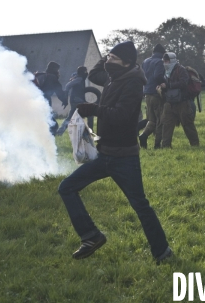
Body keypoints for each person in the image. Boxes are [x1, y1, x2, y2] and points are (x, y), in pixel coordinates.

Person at [57, 41, 173, 263]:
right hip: (104, 155)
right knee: (67, 188)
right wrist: (110, 53)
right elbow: (95, 72)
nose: (108, 62)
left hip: (124, 158)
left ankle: (163, 252)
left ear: (127, 63)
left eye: (112, 59)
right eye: (108, 57)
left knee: (140, 205)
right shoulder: (114, 77)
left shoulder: (132, 84)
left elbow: (121, 115)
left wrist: (94, 109)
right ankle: (91, 236)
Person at [158, 52, 200, 148]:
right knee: (167, 125)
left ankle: (195, 145)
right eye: (164, 61)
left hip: (183, 102)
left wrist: (168, 85)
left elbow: (183, 83)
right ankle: (166, 146)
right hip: (169, 103)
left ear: (172, 60)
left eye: (167, 61)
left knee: (188, 124)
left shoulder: (181, 70)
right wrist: (161, 88)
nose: (165, 63)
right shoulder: (165, 72)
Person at [139, 44, 166, 149]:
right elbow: (158, 76)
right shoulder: (160, 61)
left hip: (147, 93)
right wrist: (165, 84)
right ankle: (157, 144)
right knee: (160, 120)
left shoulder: (145, 61)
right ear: (163, 53)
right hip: (156, 93)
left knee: (151, 119)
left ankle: (143, 135)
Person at [37, 61, 68, 135]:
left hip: (34, 100)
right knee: (51, 122)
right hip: (45, 100)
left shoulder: (40, 75)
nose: (58, 72)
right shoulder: (52, 77)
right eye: (57, 70)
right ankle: (50, 138)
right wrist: (65, 101)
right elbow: (59, 91)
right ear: (54, 69)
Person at [55, 66, 88, 136]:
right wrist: (66, 96)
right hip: (76, 100)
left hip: (76, 99)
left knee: (71, 117)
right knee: (84, 116)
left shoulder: (80, 79)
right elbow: (67, 86)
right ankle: (85, 134)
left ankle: (60, 132)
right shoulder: (79, 79)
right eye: (85, 71)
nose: (86, 72)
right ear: (83, 71)